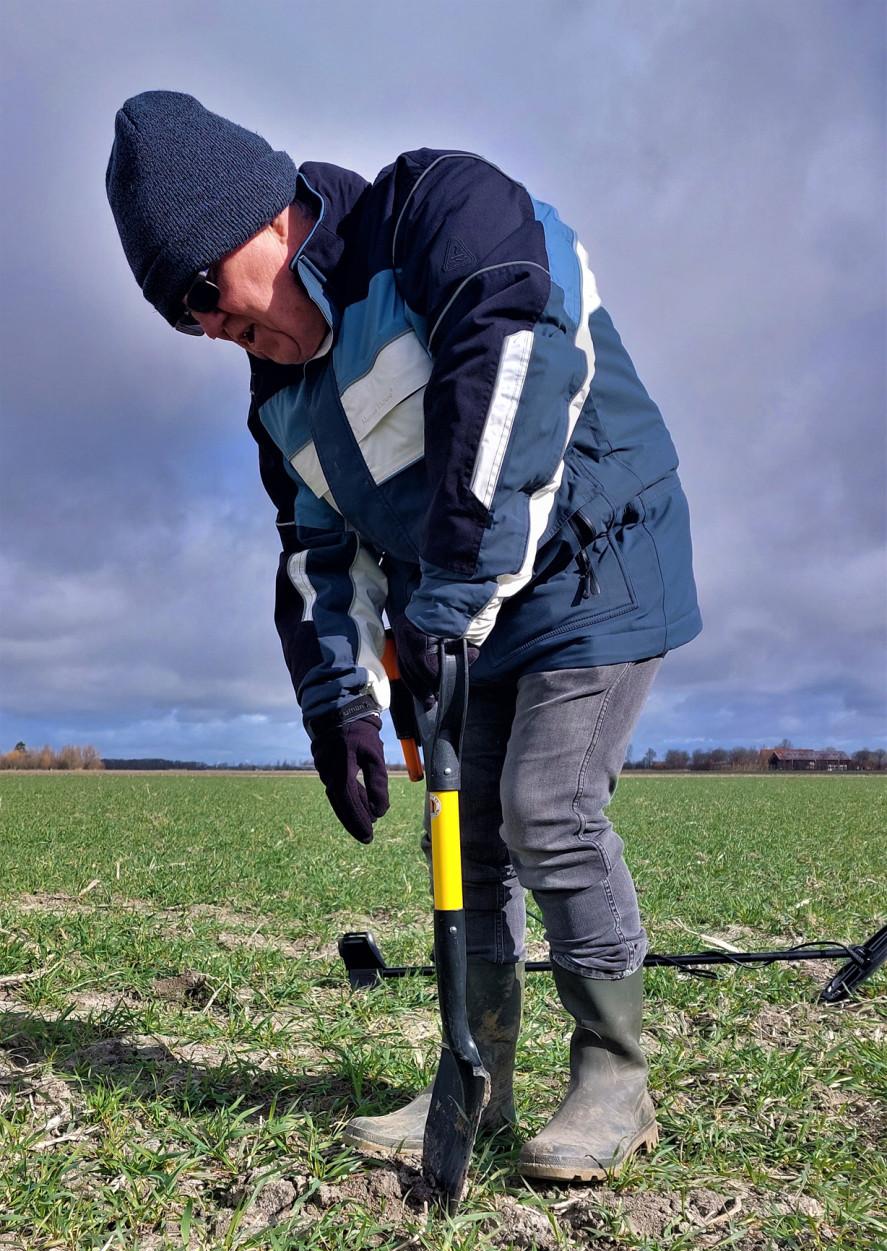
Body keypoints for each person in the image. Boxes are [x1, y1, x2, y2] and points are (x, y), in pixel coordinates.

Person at [106, 91, 702, 1182]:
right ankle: (471, 1071)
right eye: (194, 324)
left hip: (596, 558)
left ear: (270, 216)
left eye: (217, 298)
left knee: (545, 807)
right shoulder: (279, 399)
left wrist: (446, 597)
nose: (218, 332)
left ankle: (614, 1073)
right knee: (465, 840)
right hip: (472, 612)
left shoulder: (439, 211)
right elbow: (314, 555)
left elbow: (514, 360)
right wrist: (335, 705)